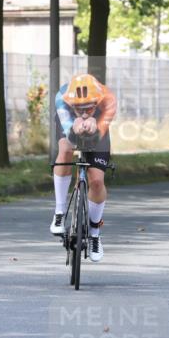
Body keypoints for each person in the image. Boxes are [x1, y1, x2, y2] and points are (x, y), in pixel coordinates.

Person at [49, 73, 116, 263]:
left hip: (99, 123)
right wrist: (75, 124)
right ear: (71, 104)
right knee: (65, 149)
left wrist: (95, 125)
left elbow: (100, 131)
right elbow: (69, 128)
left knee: (96, 181)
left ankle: (95, 233)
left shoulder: (108, 98)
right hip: (69, 124)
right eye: (79, 108)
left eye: (88, 108)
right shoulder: (62, 98)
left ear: (98, 101)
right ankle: (60, 212)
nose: (85, 112)